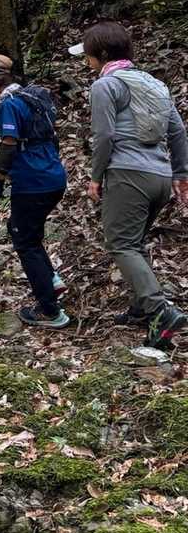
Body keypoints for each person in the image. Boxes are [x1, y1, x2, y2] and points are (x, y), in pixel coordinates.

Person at [71, 22, 188, 348]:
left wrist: (96, 177)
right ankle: (141, 308)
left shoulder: (105, 85)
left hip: (127, 174)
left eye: (88, 55)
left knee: (121, 243)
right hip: (160, 177)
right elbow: (178, 132)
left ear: (102, 54)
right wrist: (181, 174)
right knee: (133, 242)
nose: (87, 61)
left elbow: (104, 135)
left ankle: (160, 310)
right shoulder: (154, 84)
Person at [0, 54, 70, 327]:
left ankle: (50, 311)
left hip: (32, 181)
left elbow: (9, 142)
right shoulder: (32, 98)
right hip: (54, 176)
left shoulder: (9, 104)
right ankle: (51, 280)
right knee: (26, 231)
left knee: (24, 240)